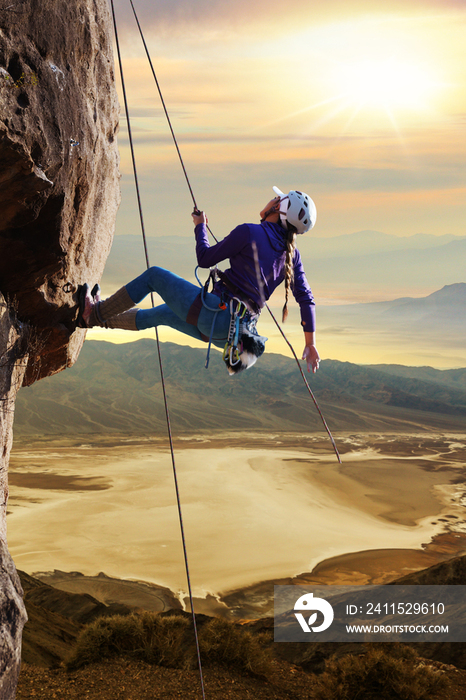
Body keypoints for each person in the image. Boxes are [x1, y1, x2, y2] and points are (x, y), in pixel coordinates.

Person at [78, 186, 320, 375]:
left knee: (154, 276)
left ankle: (94, 313)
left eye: (276, 199)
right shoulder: (292, 256)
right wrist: (310, 344)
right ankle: (101, 319)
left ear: (278, 207)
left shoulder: (249, 232)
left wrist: (200, 227)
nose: (271, 200)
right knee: (161, 314)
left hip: (215, 314)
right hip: (231, 335)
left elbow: (204, 259)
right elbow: (306, 299)